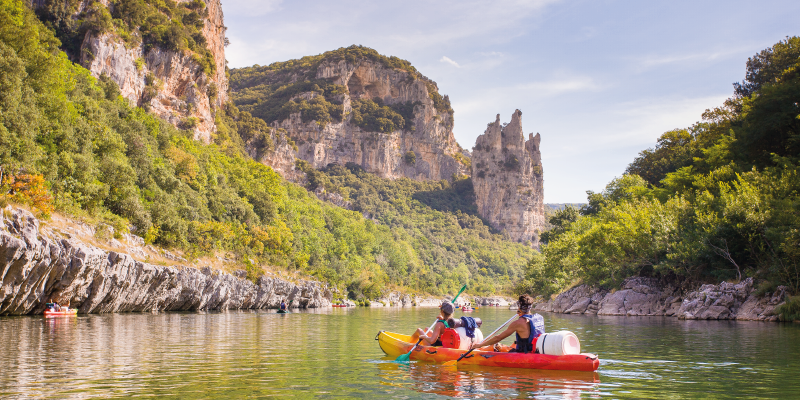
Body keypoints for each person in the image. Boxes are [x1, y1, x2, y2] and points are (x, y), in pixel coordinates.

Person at [469, 294, 544, 353]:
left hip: (523, 353)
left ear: (519, 307)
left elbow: (498, 338)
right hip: (536, 350)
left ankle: (475, 352)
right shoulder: (539, 318)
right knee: (514, 343)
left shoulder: (518, 323)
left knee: (495, 346)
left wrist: (480, 345)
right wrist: (521, 313)